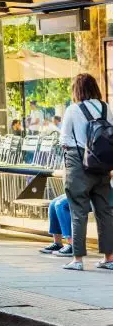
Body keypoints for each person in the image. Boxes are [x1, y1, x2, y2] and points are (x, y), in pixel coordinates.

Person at [59, 73, 113, 270]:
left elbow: (64, 139)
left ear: (77, 90)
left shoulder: (73, 110)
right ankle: (109, 258)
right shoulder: (107, 107)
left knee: (78, 211)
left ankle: (78, 260)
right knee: (105, 212)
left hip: (78, 163)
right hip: (103, 165)